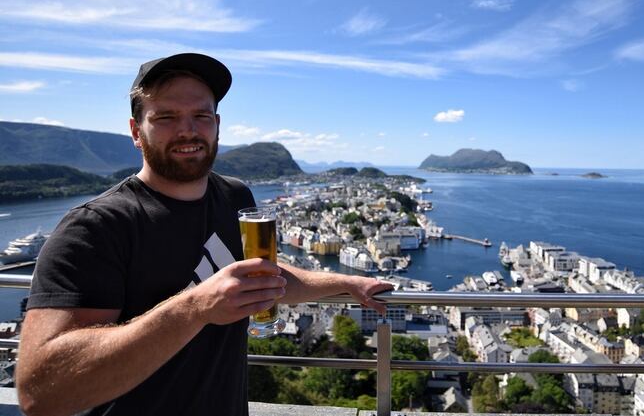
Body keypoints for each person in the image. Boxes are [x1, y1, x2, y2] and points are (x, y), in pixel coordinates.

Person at [16, 53, 394, 416]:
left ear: (217, 124)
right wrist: (194, 308)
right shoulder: (96, 227)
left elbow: (262, 279)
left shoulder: (234, 198)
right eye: (166, 116)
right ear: (136, 131)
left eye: (201, 115)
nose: (188, 130)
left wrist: (347, 284)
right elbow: (40, 394)